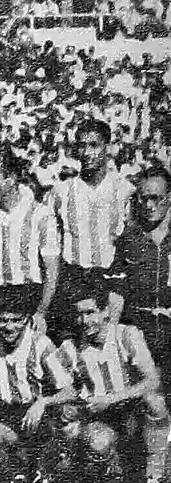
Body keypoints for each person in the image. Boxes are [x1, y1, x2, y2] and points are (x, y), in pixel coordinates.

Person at [53, 285, 170, 483]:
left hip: (133, 412)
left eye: (90, 313)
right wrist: (70, 407)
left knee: (155, 401)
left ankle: (155, 474)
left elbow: (153, 380)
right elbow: (62, 390)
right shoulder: (69, 348)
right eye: (79, 315)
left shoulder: (126, 335)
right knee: (97, 443)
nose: (84, 321)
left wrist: (110, 399)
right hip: (101, 418)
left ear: (106, 312)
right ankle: (115, 464)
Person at [0, 286, 77, 483]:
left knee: (64, 428)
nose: (9, 327)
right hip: (4, 416)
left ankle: (44, 462)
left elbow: (70, 391)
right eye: (3, 320)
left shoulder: (40, 343)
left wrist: (43, 402)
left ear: (26, 319)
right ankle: (14, 467)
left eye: (16, 320)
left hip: (36, 416)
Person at [46, 119, 132, 340]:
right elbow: (51, 245)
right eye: (82, 146)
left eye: (94, 145)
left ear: (108, 147)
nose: (87, 152)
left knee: (110, 346)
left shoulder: (123, 190)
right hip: (74, 280)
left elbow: (128, 243)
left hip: (109, 281)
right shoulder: (61, 191)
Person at [0, 149, 60, 336]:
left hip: (28, 295)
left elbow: (51, 268)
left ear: (12, 178)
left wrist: (41, 312)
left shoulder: (41, 213)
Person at [108, 165, 171, 402]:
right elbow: (117, 290)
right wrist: (112, 332)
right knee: (149, 399)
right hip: (140, 331)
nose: (149, 205)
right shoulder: (129, 239)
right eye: (143, 199)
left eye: (156, 198)